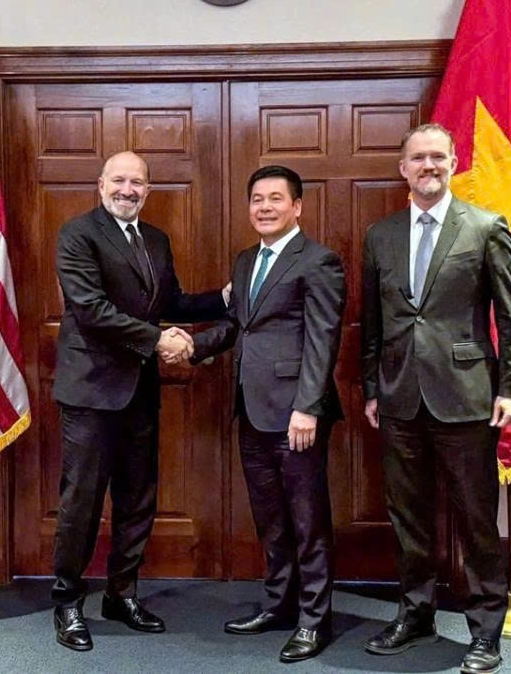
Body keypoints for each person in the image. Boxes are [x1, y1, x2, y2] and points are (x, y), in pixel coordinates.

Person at [360, 124, 511, 674]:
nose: (427, 165)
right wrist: (370, 389)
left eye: (437, 157)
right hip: (399, 396)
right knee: (408, 516)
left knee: (475, 518)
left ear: (454, 163)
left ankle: (485, 632)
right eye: (417, 158)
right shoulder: (380, 235)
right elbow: (373, 323)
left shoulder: (484, 227)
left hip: (467, 396)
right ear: (402, 168)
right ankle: (416, 614)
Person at [51, 150, 229, 651]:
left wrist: (226, 298)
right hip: (90, 392)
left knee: (137, 500)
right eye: (120, 180)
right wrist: (156, 340)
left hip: (139, 393)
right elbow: (90, 310)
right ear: (101, 184)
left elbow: (172, 302)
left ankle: (121, 594)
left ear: (148, 191)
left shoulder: (155, 240)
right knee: (81, 503)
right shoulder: (78, 234)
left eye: (138, 183)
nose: (128, 189)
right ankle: (66, 602)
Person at [193, 165, 345, 663]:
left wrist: (308, 406)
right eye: (257, 198)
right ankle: (278, 605)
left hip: (296, 415)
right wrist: (188, 346)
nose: (264, 207)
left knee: (308, 520)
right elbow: (238, 325)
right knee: (271, 519)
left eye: (275, 199)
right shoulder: (245, 261)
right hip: (252, 410)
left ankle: (313, 620)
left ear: (297, 206)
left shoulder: (318, 260)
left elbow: (323, 339)